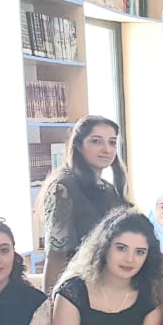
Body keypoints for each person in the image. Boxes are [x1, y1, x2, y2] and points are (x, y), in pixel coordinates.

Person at [40, 115, 132, 293]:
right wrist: (51, 301)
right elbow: (56, 255)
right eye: (96, 141)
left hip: (109, 283)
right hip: (77, 286)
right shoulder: (63, 187)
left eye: (112, 142)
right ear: (78, 145)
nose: (106, 149)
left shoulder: (108, 189)